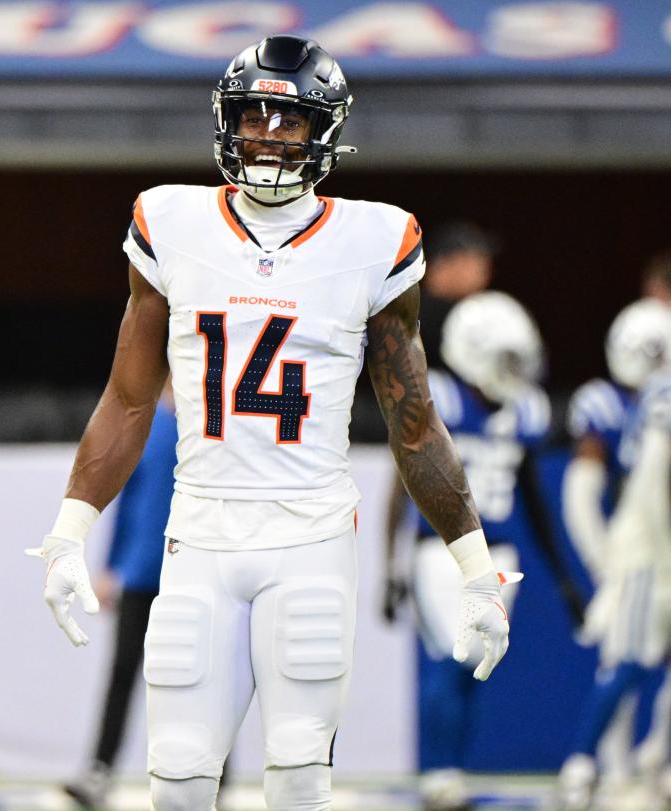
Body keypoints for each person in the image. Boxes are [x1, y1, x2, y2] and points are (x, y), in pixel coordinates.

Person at [30, 35, 519, 811]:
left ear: (324, 130)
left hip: (311, 540)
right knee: (181, 780)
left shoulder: (376, 240)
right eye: (252, 113)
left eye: (288, 117)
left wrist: (476, 567)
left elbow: (414, 423)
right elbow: (127, 399)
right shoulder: (170, 219)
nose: (266, 132)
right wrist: (68, 530)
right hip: (200, 534)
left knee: (296, 778)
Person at [381, 291, 583, 811]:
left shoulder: (526, 412)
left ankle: (451, 773)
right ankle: (439, 773)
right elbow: (398, 484)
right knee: (456, 656)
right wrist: (390, 563)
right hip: (439, 551)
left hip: (500, 556)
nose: (513, 370)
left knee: (477, 666)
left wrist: (559, 573)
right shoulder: (440, 398)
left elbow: (533, 497)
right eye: (505, 357)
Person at [558, 299, 671, 811]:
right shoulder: (624, 402)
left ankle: (650, 765)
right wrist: (611, 558)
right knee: (623, 661)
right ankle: (592, 766)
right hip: (649, 547)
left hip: (646, 543)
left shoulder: (650, 398)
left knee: (630, 663)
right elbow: (635, 485)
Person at [63, 386, 177, 809]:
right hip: (142, 576)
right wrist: (112, 566)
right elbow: (129, 501)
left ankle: (214, 776)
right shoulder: (148, 428)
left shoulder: (209, 428)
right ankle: (99, 770)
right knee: (122, 674)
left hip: (192, 577)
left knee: (205, 680)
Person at [418, 223, 495, 371]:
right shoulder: (412, 317)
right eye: (475, 259)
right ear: (441, 266)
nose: (484, 270)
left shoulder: (474, 312)